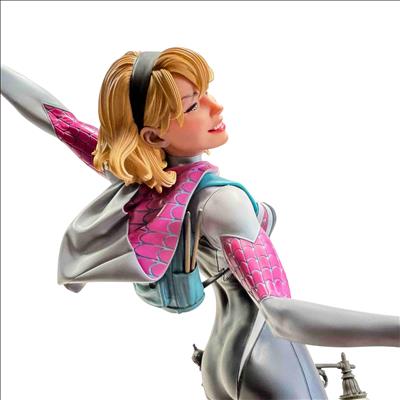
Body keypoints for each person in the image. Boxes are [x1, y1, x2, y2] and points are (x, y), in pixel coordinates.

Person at [1, 47, 399, 400]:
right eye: (192, 106)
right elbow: (280, 314)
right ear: (153, 136)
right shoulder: (223, 201)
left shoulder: (145, 181)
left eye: (205, 92)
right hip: (269, 356)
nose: (215, 107)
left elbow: (58, 120)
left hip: (219, 359)